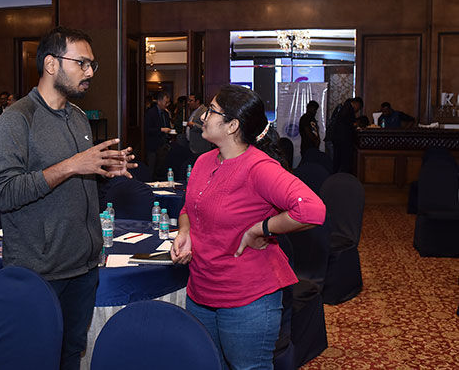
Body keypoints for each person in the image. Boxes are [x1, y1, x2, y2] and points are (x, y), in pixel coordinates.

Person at [0, 26, 136, 370]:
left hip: (83, 267)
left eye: (92, 65)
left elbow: (75, 184)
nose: (90, 72)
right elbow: (4, 193)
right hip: (40, 272)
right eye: (82, 63)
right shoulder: (16, 119)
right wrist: (71, 166)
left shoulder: (79, 117)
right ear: (51, 64)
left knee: (70, 355)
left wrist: (102, 170)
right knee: (36, 358)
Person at [171, 84, 325, 370]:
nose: (203, 116)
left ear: (232, 126)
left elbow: (312, 210)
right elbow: (188, 208)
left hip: (248, 298)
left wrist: (261, 228)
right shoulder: (204, 161)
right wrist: (185, 231)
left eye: (212, 111)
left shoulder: (259, 167)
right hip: (201, 291)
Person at [144, 91, 173, 179]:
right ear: (159, 101)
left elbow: (168, 126)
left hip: (163, 145)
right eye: (165, 102)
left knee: (161, 168)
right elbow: (147, 129)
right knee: (151, 168)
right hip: (153, 145)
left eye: (168, 102)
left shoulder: (166, 113)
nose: (167, 105)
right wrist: (161, 130)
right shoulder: (150, 113)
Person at [332, 97, 363, 174]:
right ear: (357, 104)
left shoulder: (346, 107)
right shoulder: (348, 108)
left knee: (338, 160)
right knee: (344, 161)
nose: (357, 110)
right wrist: (354, 124)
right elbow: (345, 121)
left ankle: (336, 176)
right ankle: (342, 176)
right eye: (359, 108)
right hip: (343, 139)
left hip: (339, 139)